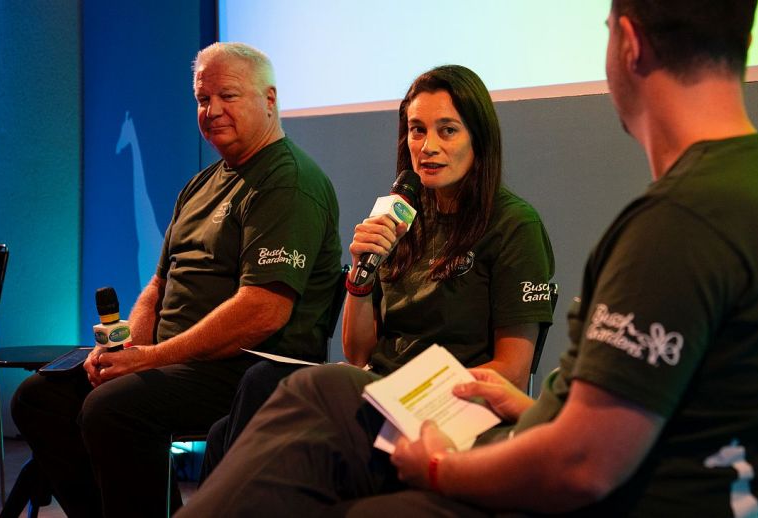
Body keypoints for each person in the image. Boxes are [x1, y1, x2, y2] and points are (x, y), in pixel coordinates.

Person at [179, 0, 758, 514]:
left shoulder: (679, 225)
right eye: (416, 130)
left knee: (318, 404)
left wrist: (439, 466)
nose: (427, 145)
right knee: (316, 390)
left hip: (564, 488)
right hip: (563, 458)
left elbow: (582, 462)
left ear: (628, 43)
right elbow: (609, 425)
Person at [11, 42, 341, 518]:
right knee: (40, 399)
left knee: (114, 408)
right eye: (203, 100)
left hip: (250, 368)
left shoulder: (287, 182)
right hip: (178, 360)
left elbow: (263, 309)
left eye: (227, 96)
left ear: (270, 100)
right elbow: (158, 284)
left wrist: (152, 359)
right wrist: (128, 352)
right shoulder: (202, 183)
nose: (212, 111)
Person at [197, 63, 556, 481]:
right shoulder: (401, 216)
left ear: (479, 138)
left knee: (269, 398)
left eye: (448, 130)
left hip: (447, 403)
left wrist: (410, 394)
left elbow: (511, 371)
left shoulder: (514, 225)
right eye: (417, 130)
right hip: (380, 387)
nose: (428, 146)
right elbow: (359, 351)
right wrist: (361, 276)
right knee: (238, 419)